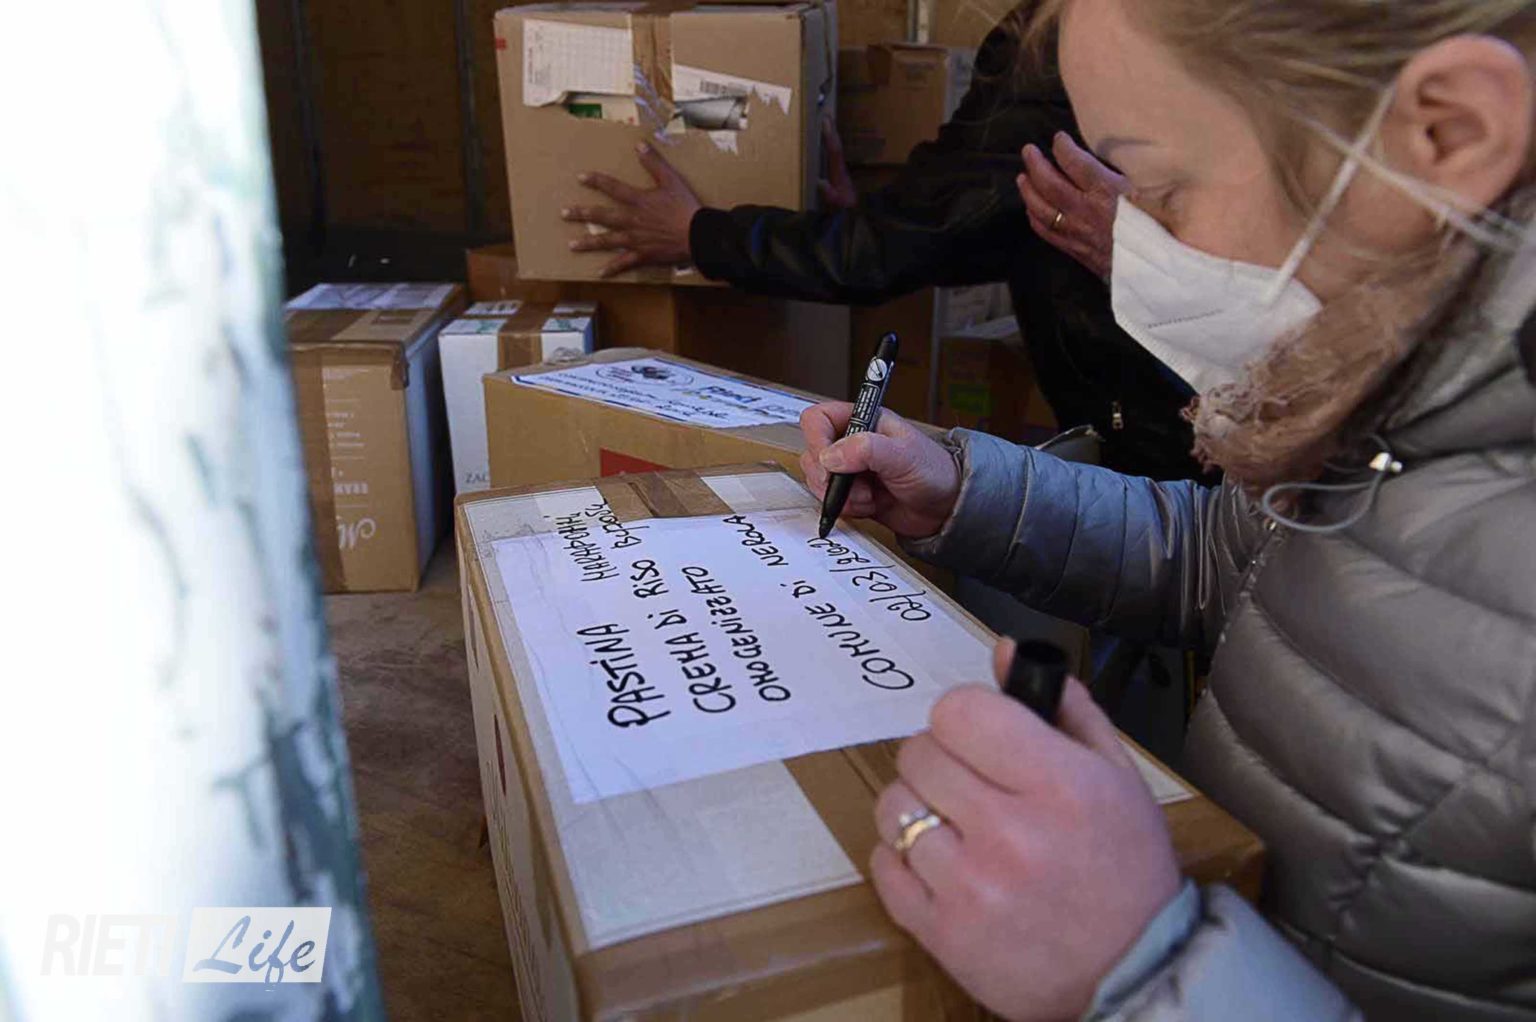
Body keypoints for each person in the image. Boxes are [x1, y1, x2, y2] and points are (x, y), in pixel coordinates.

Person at [794, 0, 1536, 1019]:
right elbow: (1227, 559)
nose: (1126, 235)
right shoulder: (1395, 379)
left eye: (1156, 188)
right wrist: (966, 488)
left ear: (1449, 132)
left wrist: (1147, 969)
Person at [559, 3, 1213, 483]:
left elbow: (895, 248)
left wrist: (699, 233)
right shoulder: (1123, 33)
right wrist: (879, 218)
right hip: (1185, 421)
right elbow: (998, 216)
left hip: (1173, 436)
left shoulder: (1073, 38)